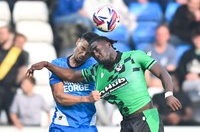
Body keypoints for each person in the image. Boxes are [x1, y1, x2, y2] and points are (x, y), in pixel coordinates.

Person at [26, 35, 182, 132]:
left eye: (97, 49)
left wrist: (169, 94)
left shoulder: (135, 56)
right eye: (92, 53)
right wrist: (47, 64)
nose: (96, 54)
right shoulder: (96, 71)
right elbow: (71, 75)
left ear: (108, 44)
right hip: (127, 122)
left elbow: (163, 72)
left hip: (147, 118)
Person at [47, 32, 100, 131]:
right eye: (83, 48)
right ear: (77, 41)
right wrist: (86, 98)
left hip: (87, 126)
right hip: (61, 126)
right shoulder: (57, 65)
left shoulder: (95, 66)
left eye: (89, 53)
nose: (83, 54)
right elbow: (59, 97)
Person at [0, 26, 28, 125]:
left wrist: (15, 85)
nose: (0, 36)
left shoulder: (19, 53)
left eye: (2, 33)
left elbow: (22, 71)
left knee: (13, 121)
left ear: (10, 35)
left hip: (10, 92)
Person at [144, 24, 177, 96]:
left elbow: (172, 70)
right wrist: (149, 83)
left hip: (167, 86)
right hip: (152, 86)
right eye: (159, 34)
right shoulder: (148, 50)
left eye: (163, 34)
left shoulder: (172, 50)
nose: (161, 37)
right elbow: (145, 71)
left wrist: (162, 83)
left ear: (168, 35)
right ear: (155, 35)